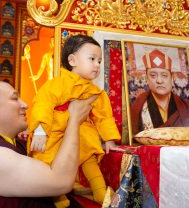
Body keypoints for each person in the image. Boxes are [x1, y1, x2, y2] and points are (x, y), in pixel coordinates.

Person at [0, 81, 96, 208]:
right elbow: (60, 182)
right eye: (15, 98)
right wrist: (74, 119)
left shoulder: (17, 144)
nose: (25, 105)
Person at [28, 34, 122, 207]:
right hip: (55, 130)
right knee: (47, 156)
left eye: (99, 61)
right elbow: (43, 105)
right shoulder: (57, 84)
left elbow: (104, 116)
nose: (97, 65)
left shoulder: (96, 92)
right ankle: (57, 194)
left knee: (90, 157)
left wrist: (109, 139)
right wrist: (40, 131)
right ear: (72, 60)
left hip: (83, 131)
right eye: (92, 59)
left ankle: (100, 192)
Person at [130, 49, 189, 135]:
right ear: (147, 78)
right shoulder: (138, 106)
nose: (159, 80)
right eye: (153, 75)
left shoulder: (186, 108)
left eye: (164, 75)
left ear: (172, 78)